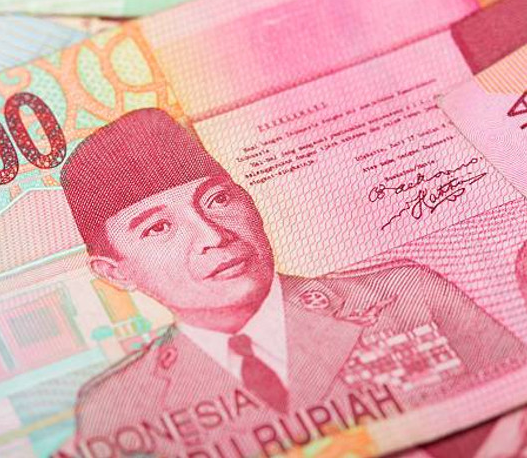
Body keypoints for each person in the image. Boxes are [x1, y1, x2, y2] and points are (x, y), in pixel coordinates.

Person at [60, 108, 527, 457]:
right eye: (158, 228)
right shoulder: (117, 405)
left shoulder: (406, 295)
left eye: (218, 199)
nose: (213, 236)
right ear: (115, 272)